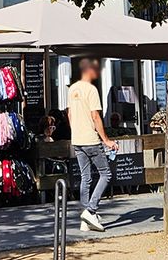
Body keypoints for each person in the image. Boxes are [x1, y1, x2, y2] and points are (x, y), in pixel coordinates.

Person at [67, 58, 118, 232]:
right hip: (90, 139)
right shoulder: (91, 90)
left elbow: (70, 114)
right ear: (89, 70)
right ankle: (91, 210)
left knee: (85, 178)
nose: (98, 72)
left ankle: (85, 219)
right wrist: (106, 140)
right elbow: (96, 116)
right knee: (106, 174)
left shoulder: (72, 89)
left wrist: (76, 131)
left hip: (77, 140)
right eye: (96, 69)